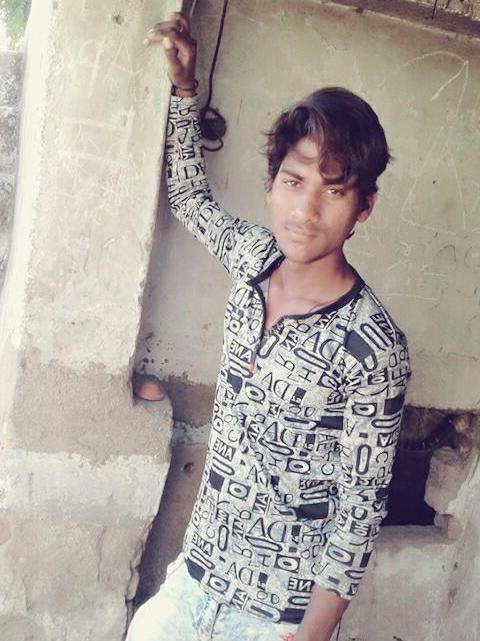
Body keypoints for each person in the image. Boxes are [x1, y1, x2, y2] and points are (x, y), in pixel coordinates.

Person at [127, 12, 411, 641]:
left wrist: (310, 636)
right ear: (271, 185)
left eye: (334, 191)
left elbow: (359, 514)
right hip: (192, 581)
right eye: (294, 181)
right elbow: (190, 199)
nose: (306, 210)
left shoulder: (373, 347)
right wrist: (185, 90)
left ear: (364, 206)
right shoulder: (254, 257)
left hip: (274, 621)